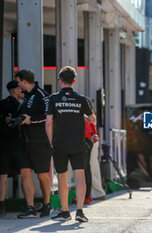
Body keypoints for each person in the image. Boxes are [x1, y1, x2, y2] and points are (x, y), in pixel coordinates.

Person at [46, 66, 95, 222]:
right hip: (78, 144)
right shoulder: (81, 99)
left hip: (59, 143)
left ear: (60, 81)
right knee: (80, 175)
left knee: (62, 177)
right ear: (74, 81)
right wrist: (82, 117)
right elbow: (92, 119)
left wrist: (51, 142)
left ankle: (65, 212)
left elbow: (48, 123)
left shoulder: (53, 99)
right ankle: (80, 211)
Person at [15, 70, 52, 218]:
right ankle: (29, 207)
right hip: (25, 141)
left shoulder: (42, 94)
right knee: (25, 173)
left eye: (18, 82)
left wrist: (31, 120)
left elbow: (49, 116)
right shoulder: (26, 96)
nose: (18, 85)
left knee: (42, 175)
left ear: (24, 81)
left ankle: (47, 204)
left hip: (40, 142)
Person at [0, 81, 28, 217]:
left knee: (2, 176)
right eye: (19, 89)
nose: (21, 91)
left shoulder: (1, 104)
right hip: (17, 144)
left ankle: (1, 205)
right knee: (25, 173)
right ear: (14, 90)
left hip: (3, 144)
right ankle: (28, 204)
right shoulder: (19, 106)